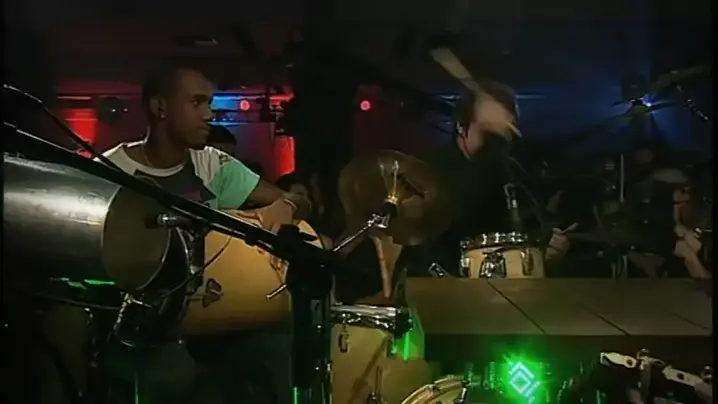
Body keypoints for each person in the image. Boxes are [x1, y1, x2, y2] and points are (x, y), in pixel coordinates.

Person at [101, 66, 312, 404]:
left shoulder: (213, 165)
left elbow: (301, 202)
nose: (209, 114)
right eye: (197, 102)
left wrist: (286, 204)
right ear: (160, 108)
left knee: (276, 348)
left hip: (212, 314)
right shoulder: (110, 170)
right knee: (172, 373)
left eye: (209, 103)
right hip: (139, 321)